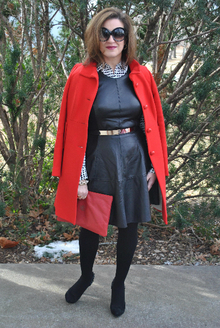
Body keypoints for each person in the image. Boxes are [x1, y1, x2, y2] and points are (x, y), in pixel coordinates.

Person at [52, 7, 169, 317]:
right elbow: (73, 129)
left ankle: (119, 284)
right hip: (99, 157)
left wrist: (154, 169)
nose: (111, 39)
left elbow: (152, 125)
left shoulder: (141, 75)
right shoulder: (81, 75)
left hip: (133, 159)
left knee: (129, 225)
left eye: (118, 33)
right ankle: (86, 276)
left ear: (126, 38)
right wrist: (79, 175)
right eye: (105, 33)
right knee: (91, 225)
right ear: (96, 37)